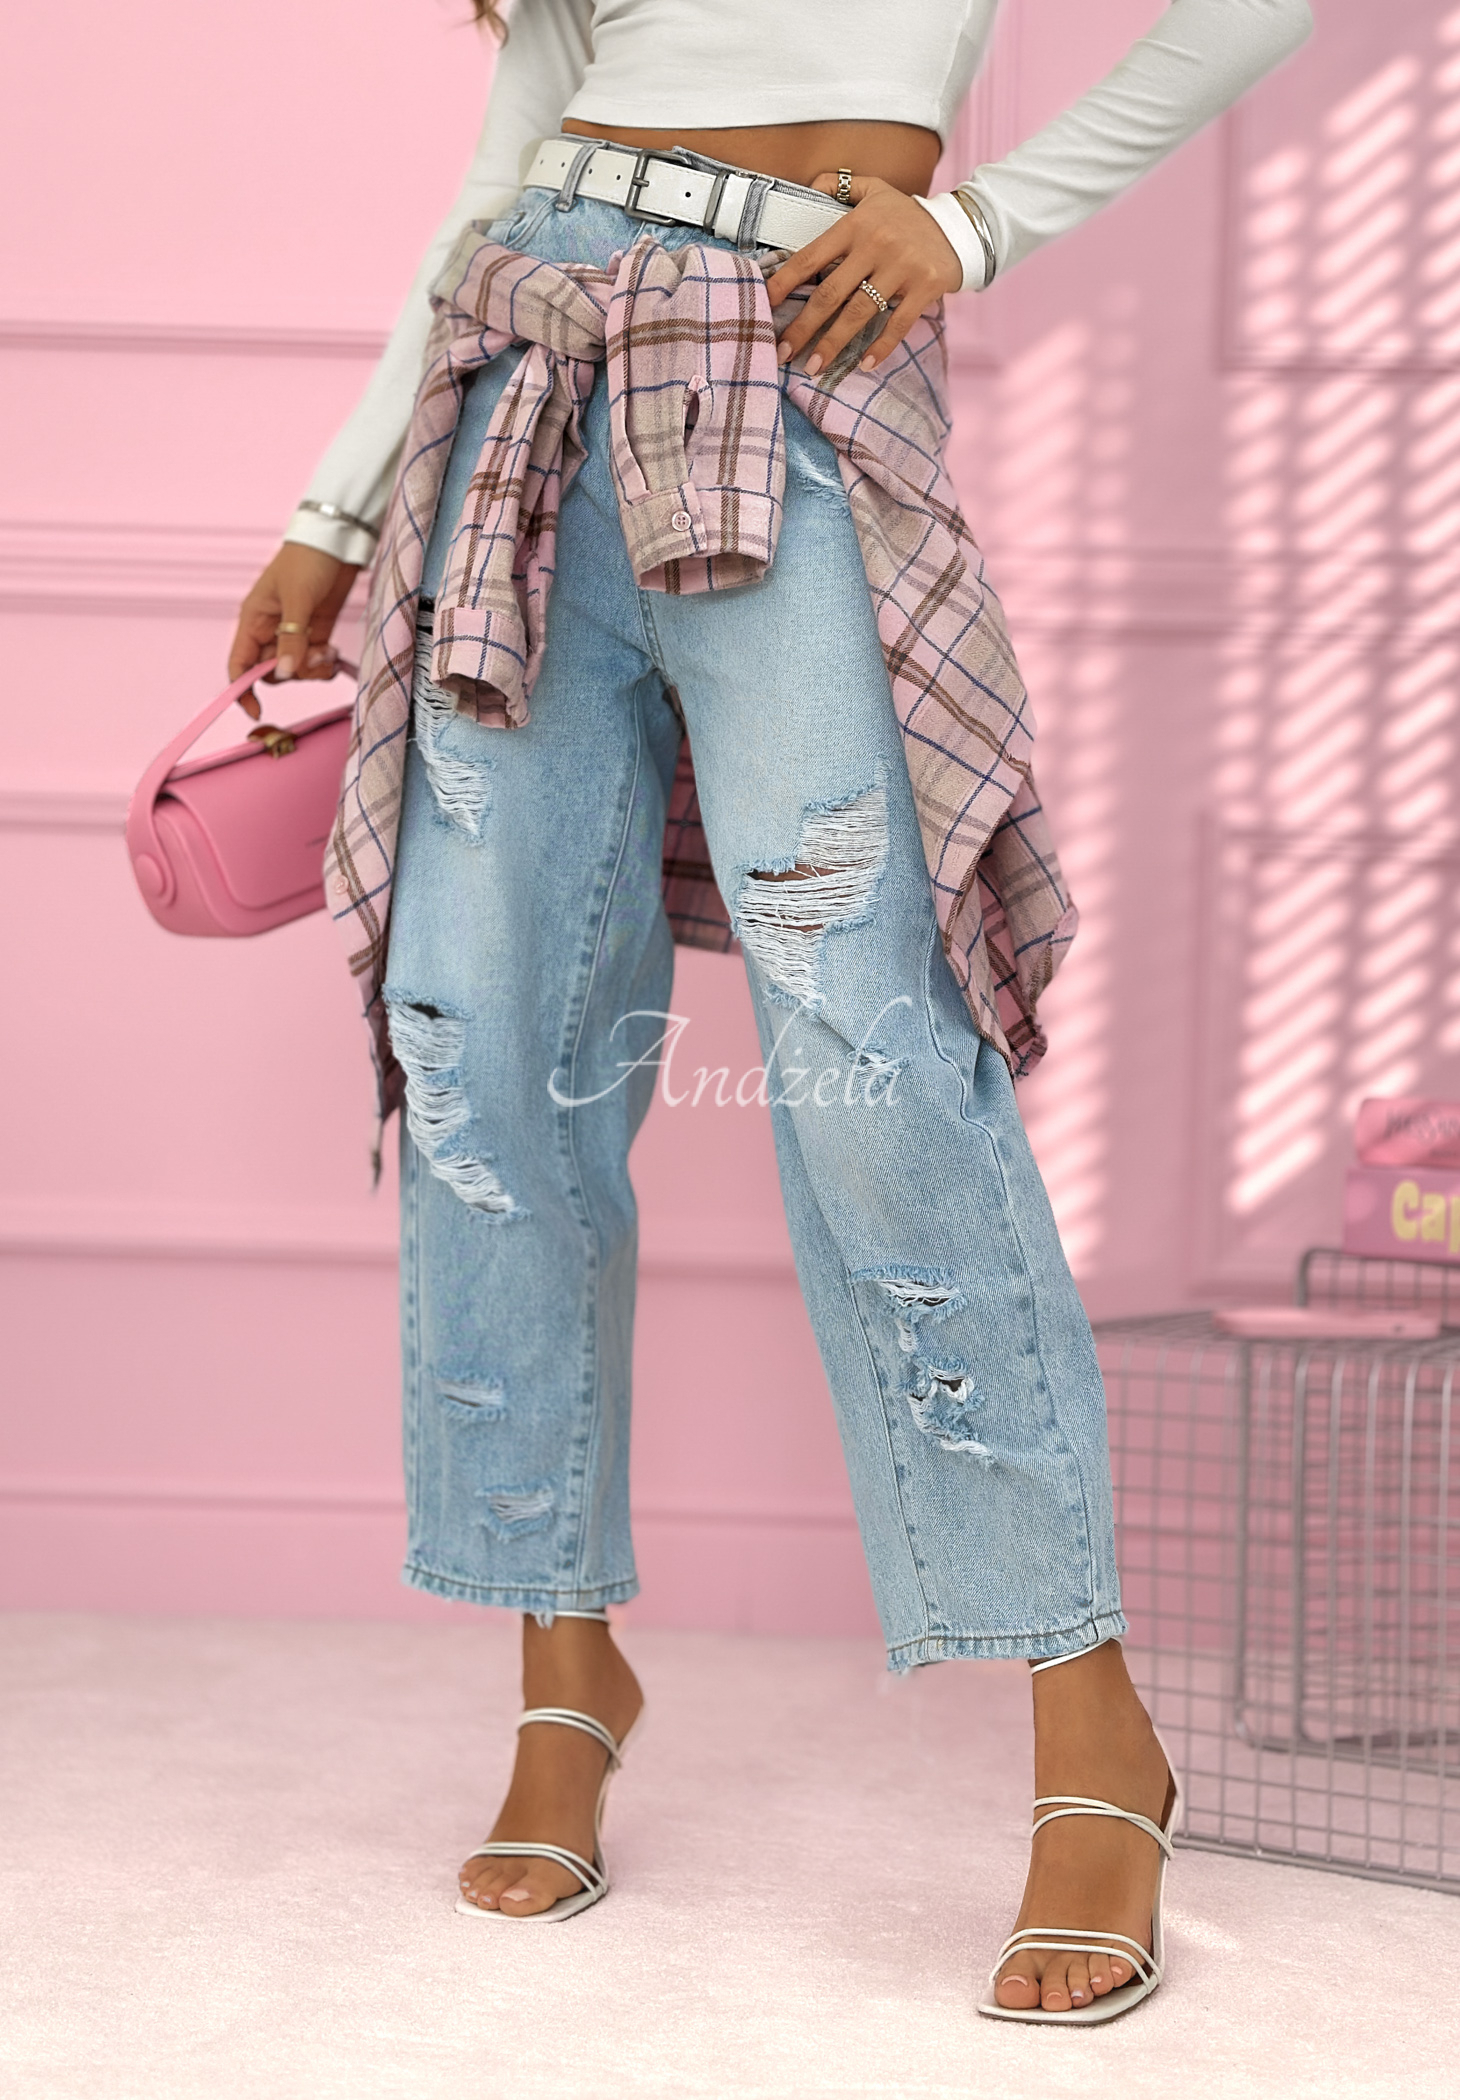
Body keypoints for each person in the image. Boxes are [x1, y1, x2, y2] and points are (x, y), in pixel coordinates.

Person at [228, 0, 1312, 2022]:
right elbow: (507, 163)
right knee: (485, 1055)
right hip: (521, 381)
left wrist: (973, 226)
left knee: (872, 1057)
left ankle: (1093, 1728)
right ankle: (565, 1668)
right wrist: (335, 508)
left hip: (791, 363)